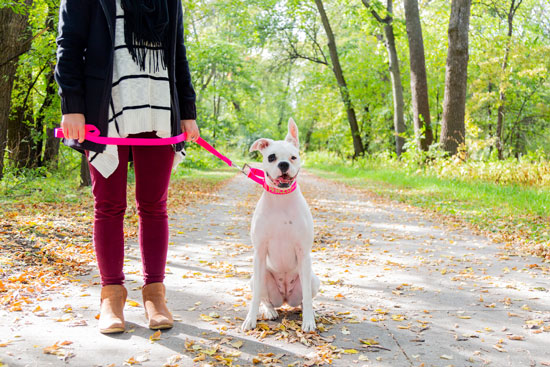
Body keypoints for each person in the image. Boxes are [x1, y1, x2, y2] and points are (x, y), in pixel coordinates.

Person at [55, 0, 199, 334]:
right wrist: (71, 105)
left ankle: (155, 294)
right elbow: (70, 43)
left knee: (154, 205)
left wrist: (188, 110)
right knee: (108, 205)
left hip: (160, 105)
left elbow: (178, 51)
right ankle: (111, 295)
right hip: (105, 105)